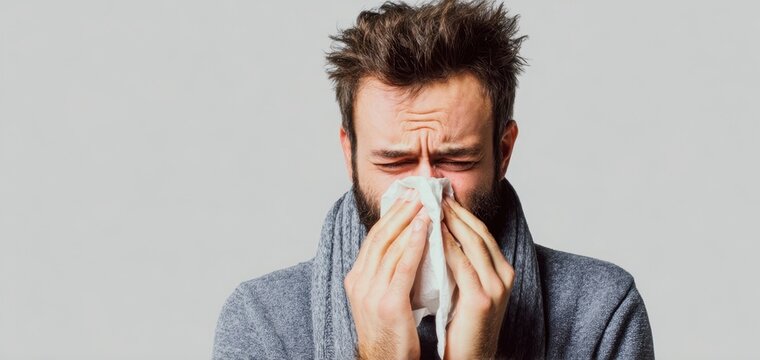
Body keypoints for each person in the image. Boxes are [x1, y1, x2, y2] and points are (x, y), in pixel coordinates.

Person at [212, 1, 654, 359]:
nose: (426, 192)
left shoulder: (601, 313)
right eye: (394, 162)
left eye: (456, 159)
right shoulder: (262, 322)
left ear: (502, 152)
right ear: (350, 154)